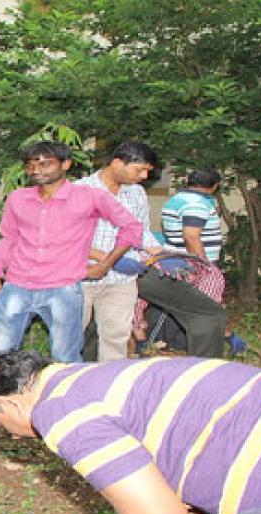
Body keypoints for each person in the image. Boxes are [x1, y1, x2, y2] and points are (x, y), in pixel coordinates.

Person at [0, 350, 261, 514]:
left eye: (0, 426)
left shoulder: (59, 408)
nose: (14, 437)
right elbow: (186, 508)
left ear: (10, 403)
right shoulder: (110, 379)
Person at [0, 141, 143, 362]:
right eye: (30, 166)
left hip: (62, 289)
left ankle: (62, 396)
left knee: (65, 358)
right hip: (17, 285)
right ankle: (5, 397)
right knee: (0, 355)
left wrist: (106, 264)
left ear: (66, 164)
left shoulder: (89, 197)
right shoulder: (19, 198)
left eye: (46, 164)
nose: (36, 171)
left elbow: (132, 227)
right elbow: (10, 238)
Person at [76, 141, 165, 361]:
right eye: (139, 169)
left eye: (147, 171)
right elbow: (67, 239)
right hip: (82, 277)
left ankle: (110, 385)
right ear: (117, 163)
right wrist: (109, 259)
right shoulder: (79, 190)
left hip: (122, 281)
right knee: (70, 337)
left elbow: (141, 230)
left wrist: (163, 255)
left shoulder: (137, 193)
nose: (144, 176)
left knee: (116, 338)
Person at [133, 168, 232, 358]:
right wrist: (203, 264)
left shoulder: (176, 200)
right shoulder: (197, 204)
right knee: (199, 307)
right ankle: (153, 346)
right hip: (190, 265)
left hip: (174, 259)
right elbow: (191, 235)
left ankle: (166, 343)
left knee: (171, 307)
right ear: (215, 186)